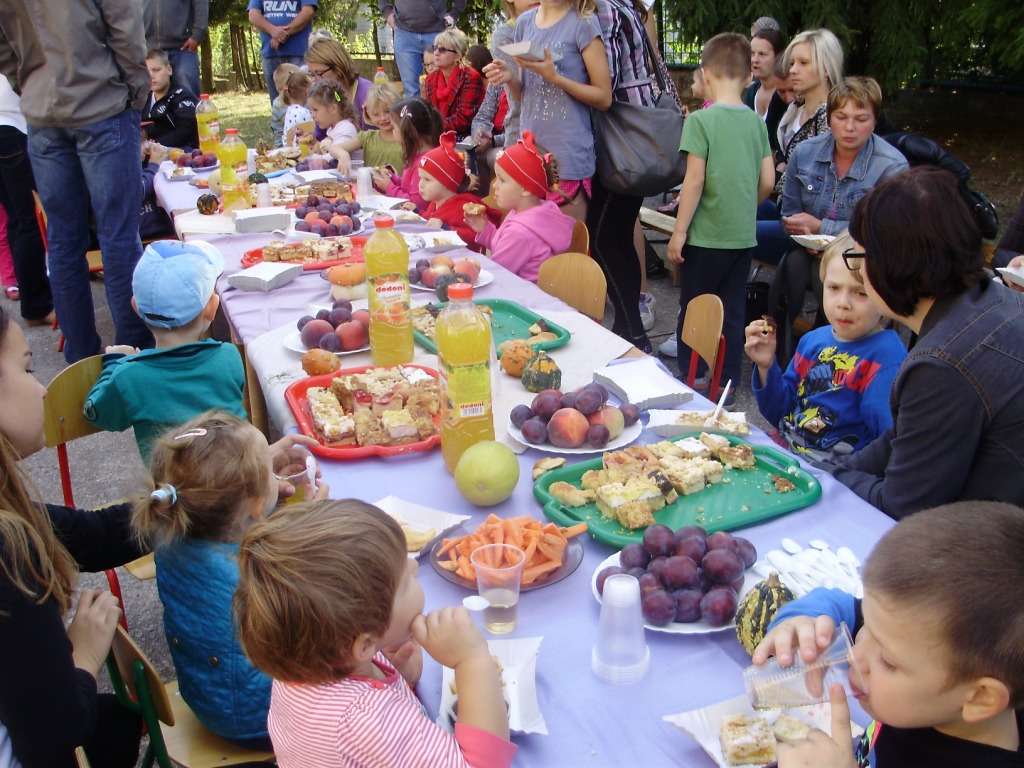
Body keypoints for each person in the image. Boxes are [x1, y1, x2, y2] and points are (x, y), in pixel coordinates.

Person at [234, 499, 517, 767]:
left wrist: (397, 679)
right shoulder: (367, 721)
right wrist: (472, 662)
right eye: (404, 583)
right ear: (365, 644)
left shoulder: (304, 658)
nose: (415, 566)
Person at [754, 501, 1024, 767]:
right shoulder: (911, 642)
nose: (854, 653)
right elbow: (843, 605)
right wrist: (804, 621)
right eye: (867, 629)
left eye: (887, 661)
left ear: (979, 697)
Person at [829, 167, 1024, 517]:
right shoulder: (994, 300)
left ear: (890, 265)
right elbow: (905, 437)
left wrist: (836, 479)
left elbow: (904, 505)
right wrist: (835, 470)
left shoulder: (942, 364)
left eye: (859, 259)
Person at [0, 305, 145, 767]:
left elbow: (93, 536)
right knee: (112, 724)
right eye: (26, 368)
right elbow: (53, 734)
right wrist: (84, 653)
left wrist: (217, 487)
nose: (42, 388)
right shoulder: (8, 553)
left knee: (118, 720)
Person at [133, 411, 327, 746]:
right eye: (268, 472)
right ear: (255, 505)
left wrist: (256, 480)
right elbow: (318, 613)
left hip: (206, 695)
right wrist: (310, 524)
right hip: (258, 717)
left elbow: (239, 533)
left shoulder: (172, 536)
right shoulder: (253, 573)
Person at [1, 0, 155, 363]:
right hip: (101, 102)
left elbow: (5, 44)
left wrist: (28, 82)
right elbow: (125, 24)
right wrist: (135, 90)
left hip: (46, 109)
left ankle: (81, 355)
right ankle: (134, 354)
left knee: (63, 239)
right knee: (117, 235)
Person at [667, 33, 774, 400]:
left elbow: (694, 180)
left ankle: (693, 376)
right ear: (749, 77)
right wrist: (744, 204)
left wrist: (679, 231)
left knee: (696, 307)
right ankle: (727, 382)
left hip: (705, 237)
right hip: (741, 236)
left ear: (706, 74)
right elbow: (768, 181)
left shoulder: (700, 121)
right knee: (732, 310)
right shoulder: (756, 123)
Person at [774, 77, 909, 356]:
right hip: (805, 250)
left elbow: (885, 232)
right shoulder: (805, 153)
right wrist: (803, 233)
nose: (849, 127)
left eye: (861, 119)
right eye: (841, 117)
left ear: (875, 120)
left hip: (863, 259)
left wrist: (822, 228)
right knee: (794, 265)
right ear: (829, 118)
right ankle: (782, 353)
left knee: (828, 271)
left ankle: (830, 351)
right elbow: (789, 213)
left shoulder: (892, 166)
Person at [745, 232, 906, 462]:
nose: (843, 303)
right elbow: (781, 411)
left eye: (861, 293)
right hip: (785, 455)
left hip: (835, 473)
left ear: (888, 296)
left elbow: (888, 446)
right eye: (833, 288)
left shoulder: (887, 360)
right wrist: (766, 367)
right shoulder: (813, 341)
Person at [83, 241, 247, 464]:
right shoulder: (228, 357)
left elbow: (98, 415)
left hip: (171, 485)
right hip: (236, 477)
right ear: (212, 308)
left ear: (136, 307)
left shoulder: (129, 377)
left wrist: (114, 362)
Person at [588, 0, 676, 354]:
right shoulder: (622, 4)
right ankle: (629, 330)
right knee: (618, 236)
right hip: (635, 131)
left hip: (624, 133)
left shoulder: (604, 8)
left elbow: (604, 83)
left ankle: (633, 334)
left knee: (601, 239)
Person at [483, 0, 613, 222]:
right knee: (527, 239)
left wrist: (555, 78)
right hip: (528, 157)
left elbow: (604, 98)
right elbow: (523, 97)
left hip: (566, 159)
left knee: (563, 243)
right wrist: (509, 78)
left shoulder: (583, 22)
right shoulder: (524, 23)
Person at [465, 130, 574, 282]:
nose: (494, 185)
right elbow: (504, 246)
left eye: (502, 180)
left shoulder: (521, 232)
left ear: (526, 189)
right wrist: (485, 229)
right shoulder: (533, 213)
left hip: (520, 295)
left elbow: (495, 275)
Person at [0, 76, 52, 325]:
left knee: (18, 219)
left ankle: (33, 301)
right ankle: (36, 306)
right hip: (12, 128)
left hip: (10, 126)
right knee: (28, 220)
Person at [775, 28, 843, 191]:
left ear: (826, 68)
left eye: (803, 63)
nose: (793, 70)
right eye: (792, 63)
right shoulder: (794, 108)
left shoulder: (833, 116)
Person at [416, 131, 498, 249]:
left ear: (447, 182)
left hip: (465, 257)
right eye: (420, 178)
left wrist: (446, 228)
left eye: (427, 180)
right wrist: (416, 212)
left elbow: (474, 236)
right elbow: (430, 220)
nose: (420, 185)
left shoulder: (462, 207)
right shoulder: (435, 202)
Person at [380, 0, 467, 99]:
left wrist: (454, 13)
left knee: (445, 88)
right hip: (404, 33)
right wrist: (387, 12)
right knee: (411, 93)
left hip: (437, 31)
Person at [372, 98, 442, 211]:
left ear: (406, 131)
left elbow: (415, 205)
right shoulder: (416, 155)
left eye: (394, 127)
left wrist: (389, 187)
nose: (392, 131)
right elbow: (408, 188)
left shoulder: (425, 162)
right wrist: (392, 178)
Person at [247, 0, 318, 105]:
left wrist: (282, 33)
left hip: (299, 53)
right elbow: (253, 14)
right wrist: (273, 31)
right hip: (271, 54)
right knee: (277, 104)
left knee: (305, 102)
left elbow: (308, 11)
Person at [329, 82, 405, 174]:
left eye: (387, 111)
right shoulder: (367, 137)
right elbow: (334, 148)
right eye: (376, 114)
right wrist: (343, 155)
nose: (383, 118)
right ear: (368, 114)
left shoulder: (406, 138)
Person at [423, 29, 485, 136]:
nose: (436, 53)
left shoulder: (470, 77)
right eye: (435, 48)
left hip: (466, 136)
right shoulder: (430, 79)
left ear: (458, 55)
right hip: (437, 134)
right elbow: (428, 113)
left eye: (442, 49)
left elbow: (464, 119)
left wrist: (431, 128)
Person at [305, 38, 374, 132]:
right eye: (312, 74)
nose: (315, 80)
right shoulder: (328, 95)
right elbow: (320, 134)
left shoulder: (367, 93)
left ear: (338, 68)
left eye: (319, 73)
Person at [143, 0, 208, 97]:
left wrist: (198, 34)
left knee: (186, 81)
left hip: (183, 47)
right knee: (145, 96)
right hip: (147, 47)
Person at [743, 27, 787, 162]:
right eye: (752, 53)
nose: (755, 60)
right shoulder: (750, 93)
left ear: (778, 57)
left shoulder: (786, 96)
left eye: (762, 54)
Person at [142, 49, 199, 149]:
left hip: (181, 153)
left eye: (156, 70)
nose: (151, 76)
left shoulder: (183, 97)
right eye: (146, 72)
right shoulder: (142, 100)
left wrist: (152, 146)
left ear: (169, 70)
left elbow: (186, 131)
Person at [307, 80, 360, 165]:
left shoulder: (346, 129)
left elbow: (333, 159)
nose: (312, 115)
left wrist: (311, 157)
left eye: (315, 110)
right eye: (311, 111)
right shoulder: (333, 129)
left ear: (333, 109)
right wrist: (318, 149)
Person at [270, 62, 301, 146]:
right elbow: (278, 130)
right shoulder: (278, 105)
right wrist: (280, 149)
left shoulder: (307, 100)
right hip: (289, 146)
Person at [281, 70, 313, 147]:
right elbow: (310, 134)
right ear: (307, 92)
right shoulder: (304, 112)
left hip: (289, 149)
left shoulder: (289, 110)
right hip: (302, 150)